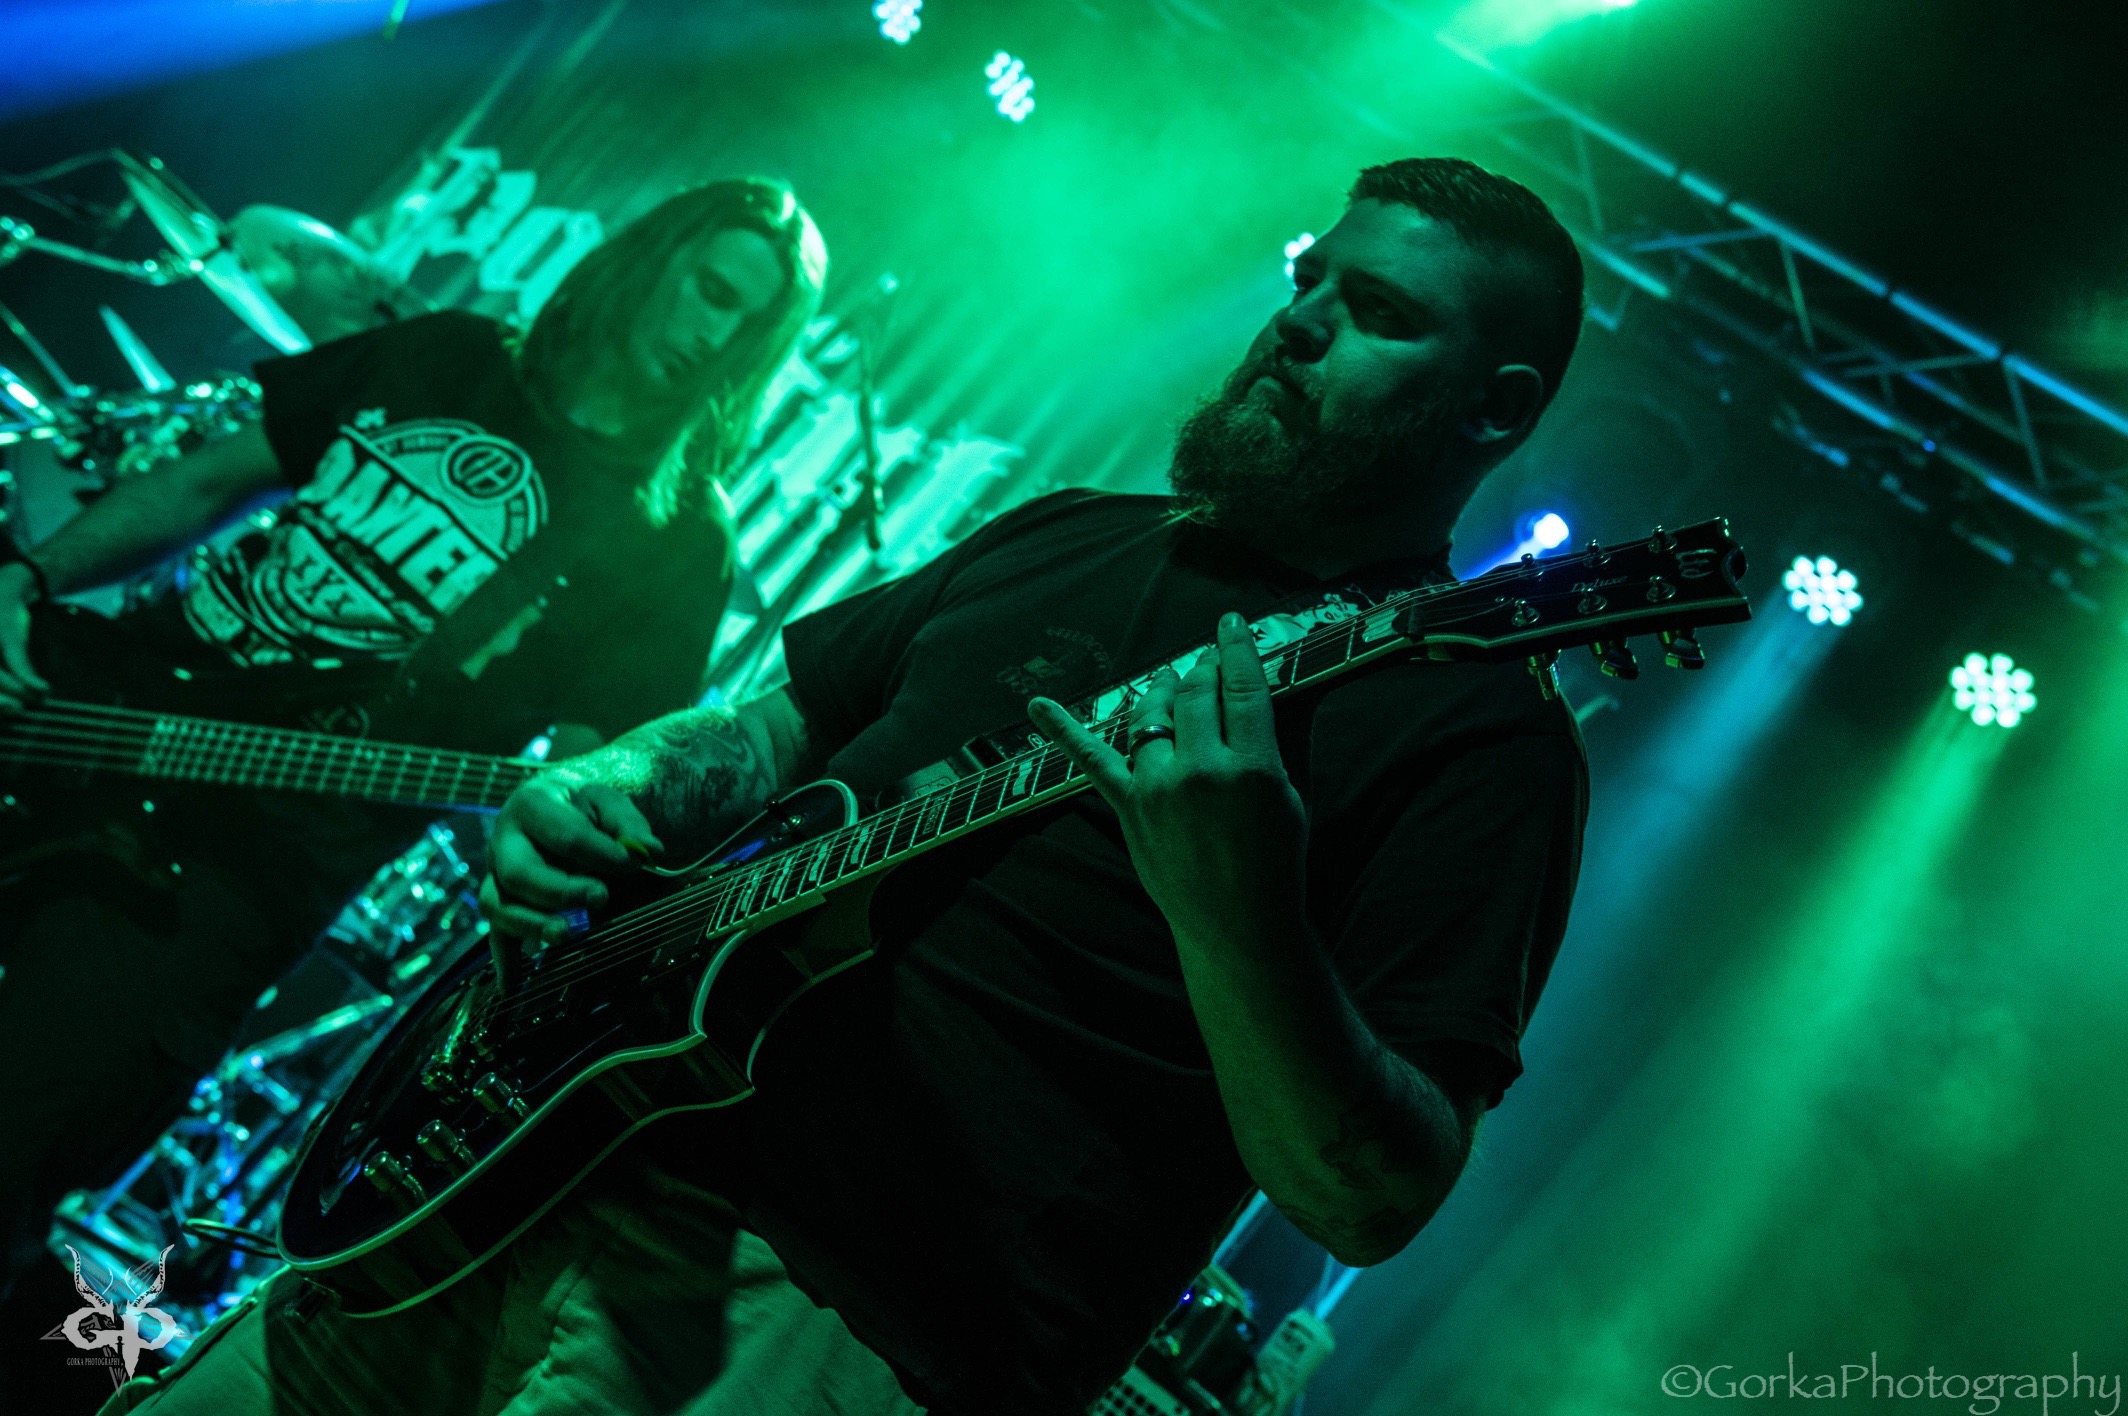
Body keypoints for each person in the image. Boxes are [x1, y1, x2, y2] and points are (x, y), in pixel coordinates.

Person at [99, 156, 1590, 1416]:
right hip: (536, 1144)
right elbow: (776, 729)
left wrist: (1235, 913)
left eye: (1379, 313)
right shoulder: (1072, 535)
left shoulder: (1477, 737)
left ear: (1497, 407)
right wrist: (606, 784)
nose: (1302, 322)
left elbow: (1370, 1197)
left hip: (839, 1321)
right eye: (1311, 279)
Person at [0, 178, 829, 1300]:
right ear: (652, 260)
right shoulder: (451, 354)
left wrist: (557, 861)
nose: (716, 336)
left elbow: (589, 786)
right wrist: (29, 580)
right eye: (713, 291)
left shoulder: (677, 543)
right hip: (79, 716)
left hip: (218, 888)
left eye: (750, 327)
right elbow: (205, 481)